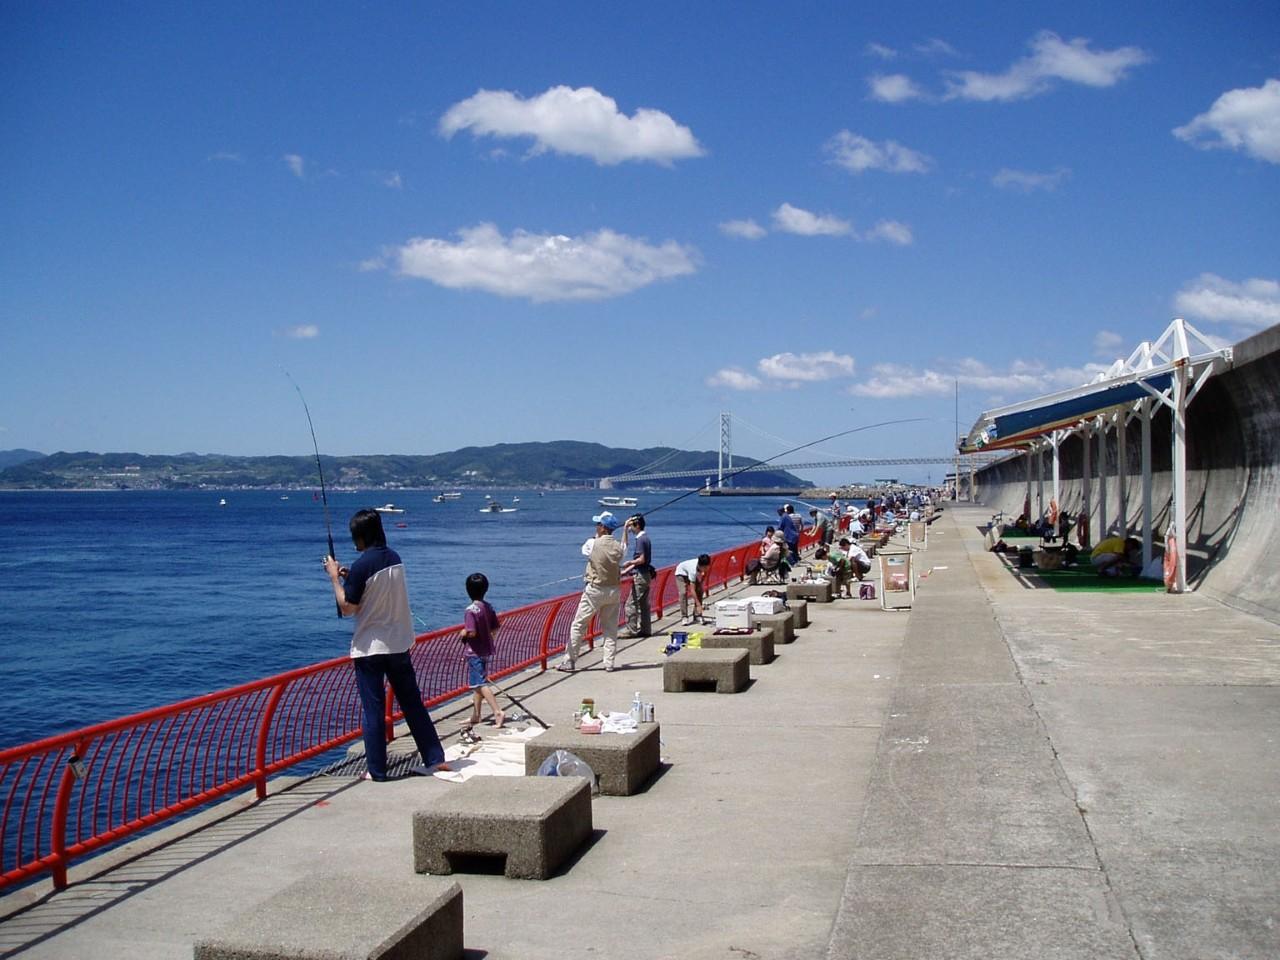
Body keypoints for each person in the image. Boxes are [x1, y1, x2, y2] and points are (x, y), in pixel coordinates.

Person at [323, 508, 447, 781]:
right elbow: (375, 590)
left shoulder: (361, 566)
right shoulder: (395, 559)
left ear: (361, 536)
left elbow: (348, 607)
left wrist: (334, 577)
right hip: (399, 643)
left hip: (370, 648)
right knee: (413, 704)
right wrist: (348, 576)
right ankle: (435, 759)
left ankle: (377, 770)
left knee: (373, 710)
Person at [559, 511, 625, 673]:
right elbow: (623, 551)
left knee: (579, 625)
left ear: (603, 528)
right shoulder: (618, 547)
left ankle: (570, 660)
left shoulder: (592, 543)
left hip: (595, 589)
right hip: (614, 590)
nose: (596, 527)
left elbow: (586, 551)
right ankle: (609, 662)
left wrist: (597, 537)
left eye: (598, 524)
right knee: (610, 628)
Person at [458, 572, 504, 742]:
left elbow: (471, 632)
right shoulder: (488, 606)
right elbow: (495, 627)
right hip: (486, 650)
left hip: (474, 652)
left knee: (480, 683)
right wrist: (489, 640)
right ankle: (476, 715)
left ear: (468, 590)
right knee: (477, 684)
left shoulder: (470, 610)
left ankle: (497, 712)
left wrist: (463, 632)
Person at [620, 513, 653, 639]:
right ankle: (646, 629)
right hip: (646, 574)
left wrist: (630, 562)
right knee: (644, 604)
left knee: (631, 604)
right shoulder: (646, 538)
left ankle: (631, 630)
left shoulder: (640, 539)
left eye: (631, 526)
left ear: (637, 525)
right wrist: (626, 570)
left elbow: (641, 559)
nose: (630, 529)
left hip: (640, 576)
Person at [675, 554, 712, 625]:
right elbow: (692, 590)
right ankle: (684, 617)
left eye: (707, 567)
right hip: (681, 573)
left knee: (700, 591)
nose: (706, 569)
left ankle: (697, 615)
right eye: (704, 568)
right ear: (700, 566)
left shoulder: (706, 566)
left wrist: (700, 585)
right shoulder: (693, 570)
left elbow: (705, 574)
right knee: (683, 593)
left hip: (690, 574)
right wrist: (698, 604)